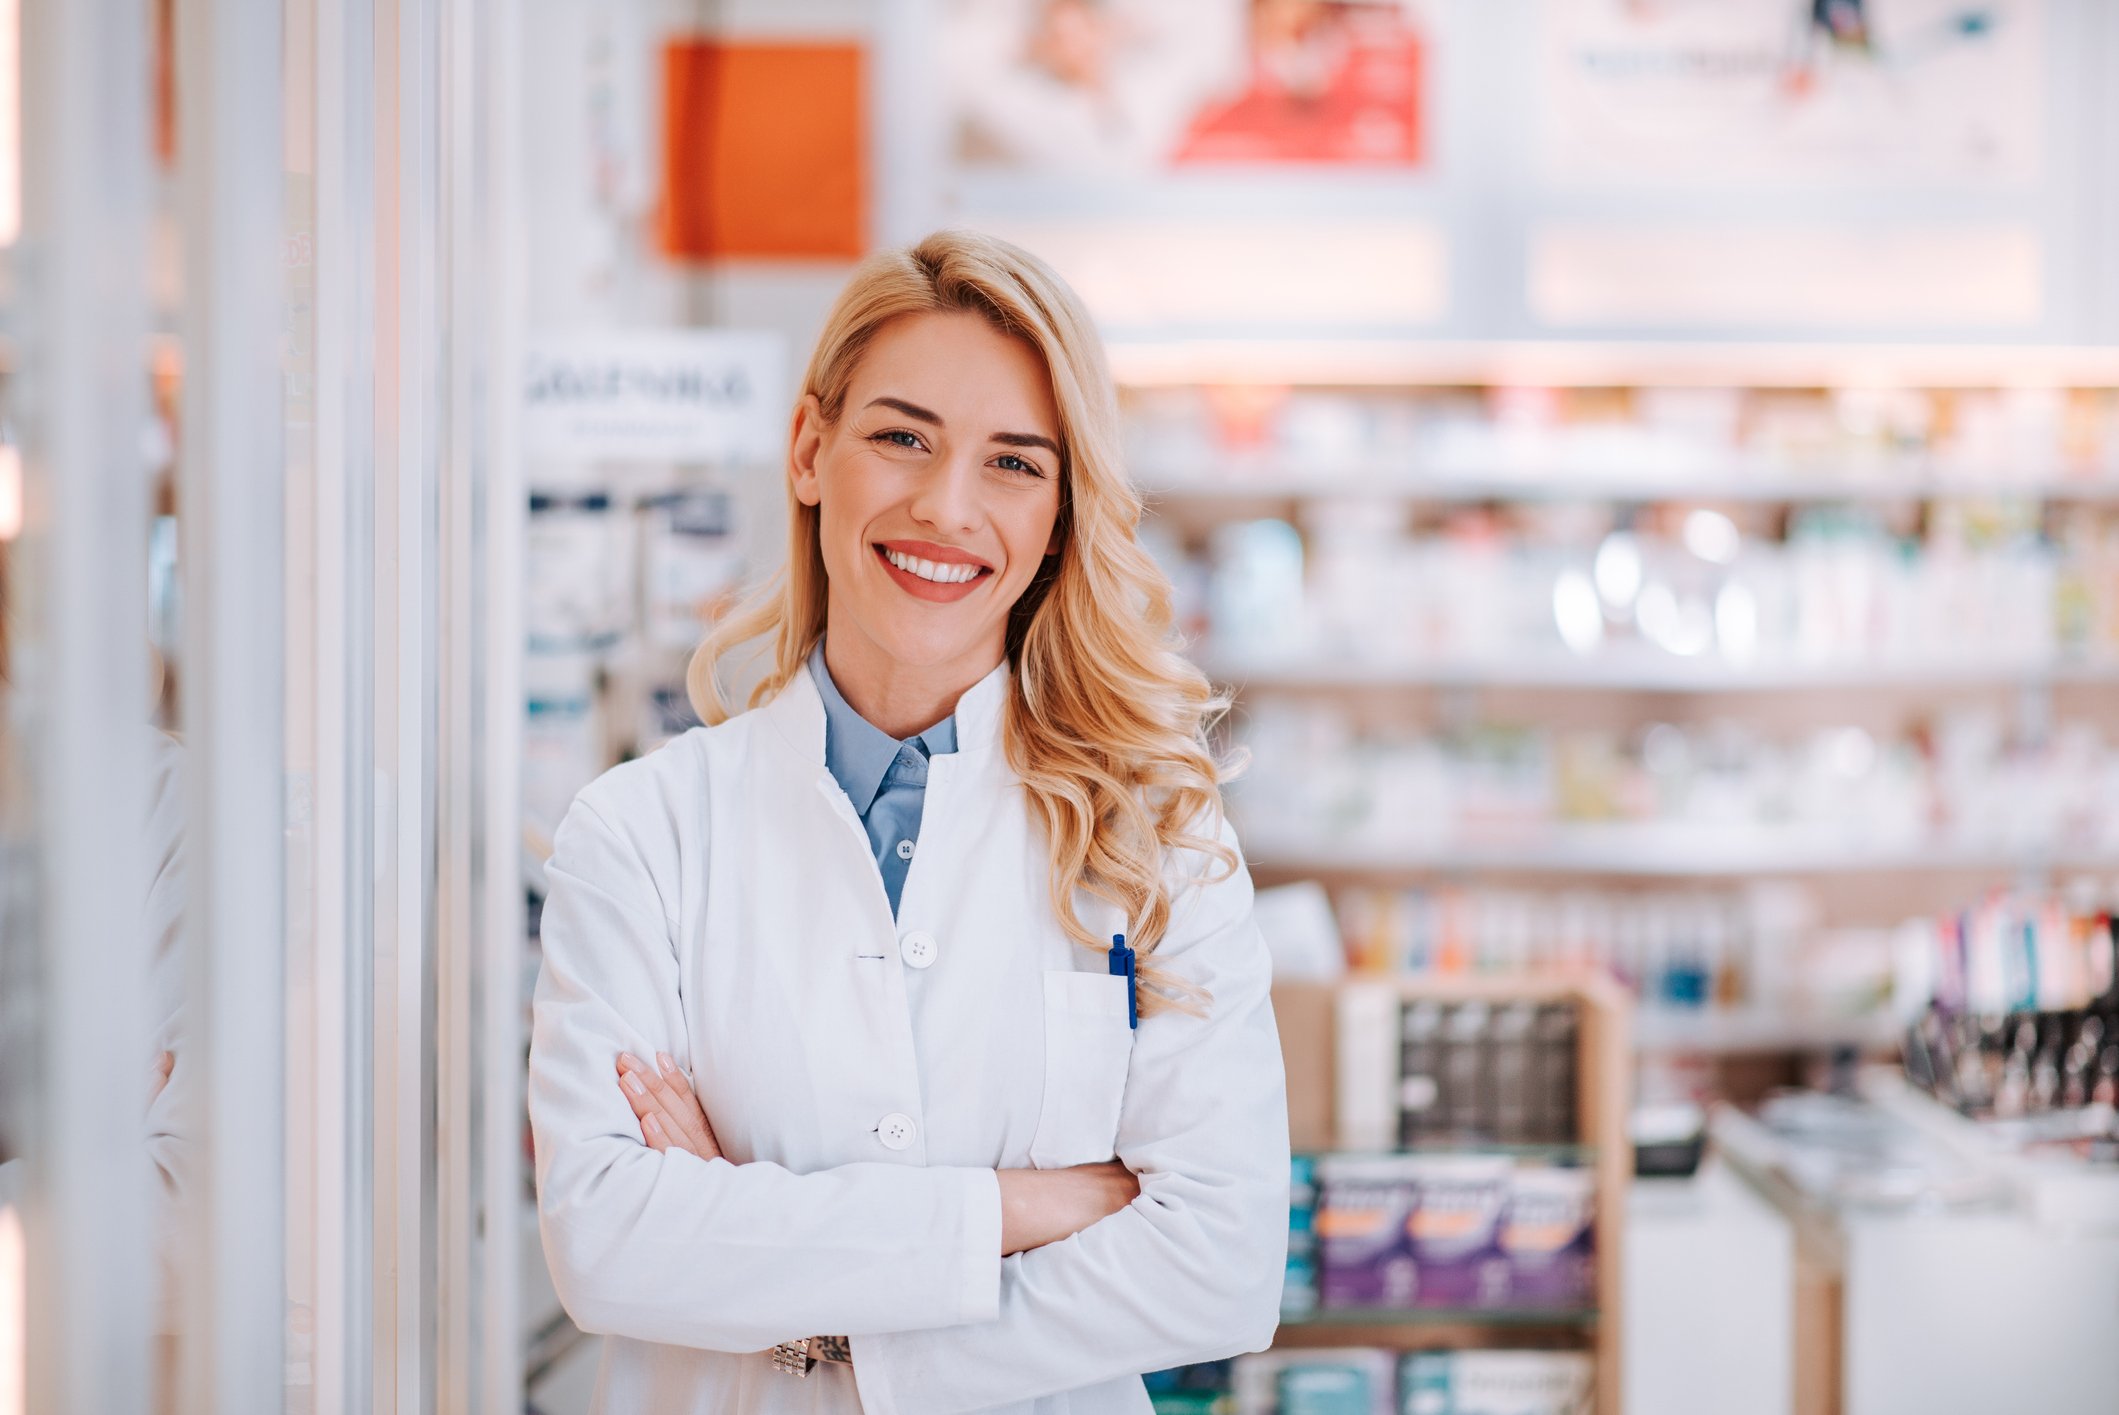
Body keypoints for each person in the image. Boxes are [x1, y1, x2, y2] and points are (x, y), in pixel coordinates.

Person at [528, 229, 1290, 1413]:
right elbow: (609, 1239)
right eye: (901, 437)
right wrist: (1027, 1204)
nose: (946, 507)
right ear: (808, 448)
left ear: (1060, 514)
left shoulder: (1159, 836)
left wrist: (813, 1322)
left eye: (1013, 463)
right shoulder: (642, 832)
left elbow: (1221, 1263)